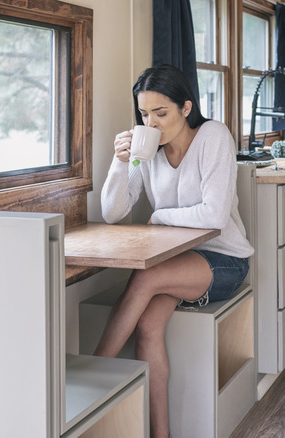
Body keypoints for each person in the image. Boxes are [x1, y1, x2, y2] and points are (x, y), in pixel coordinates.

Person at [94, 64, 254, 438]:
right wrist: (120, 163)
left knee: (146, 275)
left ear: (186, 107)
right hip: (176, 263)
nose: (151, 124)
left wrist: (159, 217)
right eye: (144, 114)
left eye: (160, 113)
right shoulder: (147, 148)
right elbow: (112, 212)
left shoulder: (212, 136)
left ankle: (96, 376)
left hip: (225, 259)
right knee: (148, 326)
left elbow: (213, 216)